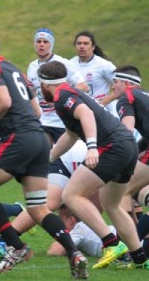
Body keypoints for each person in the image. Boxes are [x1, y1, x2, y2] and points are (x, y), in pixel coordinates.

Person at [0, 28, 88, 279]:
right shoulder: (14, 69)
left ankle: (17, 247)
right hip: (40, 139)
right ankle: (74, 252)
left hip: (18, 139)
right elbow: (36, 110)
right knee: (38, 209)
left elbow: (4, 102)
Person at [39, 60, 149, 269]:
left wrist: (91, 147)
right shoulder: (69, 93)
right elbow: (70, 135)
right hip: (127, 147)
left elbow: (86, 114)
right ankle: (140, 258)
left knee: (71, 195)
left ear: (45, 85)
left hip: (112, 147)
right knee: (112, 204)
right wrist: (50, 159)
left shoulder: (62, 96)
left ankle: (111, 243)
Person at [112, 64, 149, 266]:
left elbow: (126, 132)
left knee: (122, 190)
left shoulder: (127, 97)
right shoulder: (144, 95)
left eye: (115, 82)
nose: (113, 87)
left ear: (126, 83)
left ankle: (127, 248)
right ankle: (142, 251)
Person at [27, 28, 89, 145]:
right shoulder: (32, 66)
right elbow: (31, 92)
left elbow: (83, 86)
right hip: (45, 122)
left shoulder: (63, 63)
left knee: (62, 159)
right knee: (43, 157)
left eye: (45, 42)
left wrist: (60, 97)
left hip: (64, 122)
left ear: (51, 44)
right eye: (38, 41)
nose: (41, 45)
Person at [70, 31, 117, 115]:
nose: (82, 46)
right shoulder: (70, 64)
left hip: (103, 115)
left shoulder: (104, 65)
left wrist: (102, 103)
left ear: (93, 47)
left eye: (86, 43)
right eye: (79, 43)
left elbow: (121, 86)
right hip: (80, 114)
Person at [48, 204, 116, 257]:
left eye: (61, 219)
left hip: (119, 243)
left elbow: (54, 251)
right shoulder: (85, 225)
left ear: (71, 220)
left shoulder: (79, 229)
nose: (59, 224)